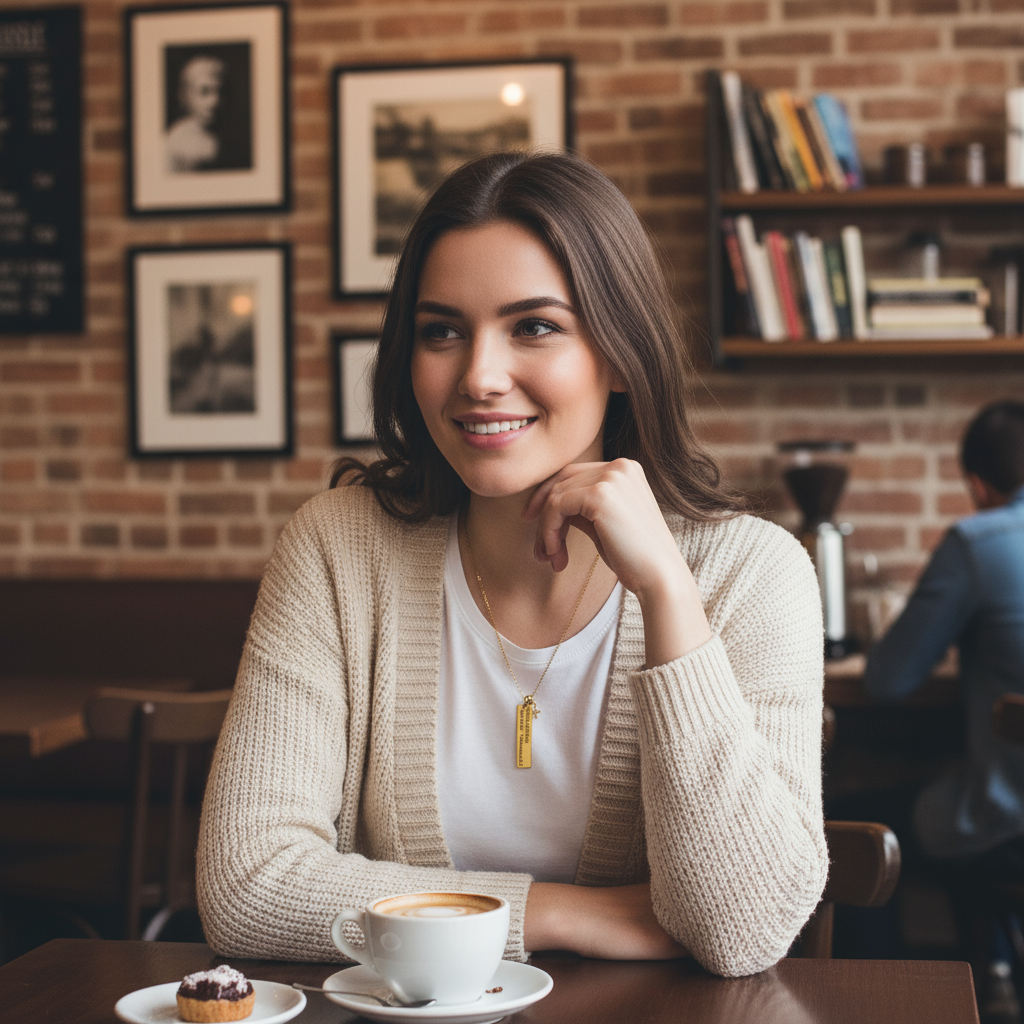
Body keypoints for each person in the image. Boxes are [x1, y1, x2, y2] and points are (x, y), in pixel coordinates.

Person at [196, 151, 828, 978]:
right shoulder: (337, 548)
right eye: (442, 331)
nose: (479, 377)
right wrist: (566, 913)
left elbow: (742, 930)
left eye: (534, 326)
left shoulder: (754, 572)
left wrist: (669, 594)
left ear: (621, 354)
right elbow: (247, 887)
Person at [864, 400, 1024, 861]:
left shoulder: (978, 543)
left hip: (1010, 822)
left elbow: (887, 681)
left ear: (978, 486)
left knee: (854, 829)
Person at [166, 55, 224, 173]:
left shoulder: (224, 135)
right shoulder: (178, 141)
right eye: (204, 92)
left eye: (220, 91)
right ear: (187, 96)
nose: (214, 100)